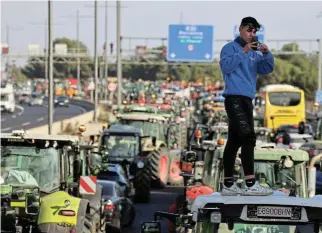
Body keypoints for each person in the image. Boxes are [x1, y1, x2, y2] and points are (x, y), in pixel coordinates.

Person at [219, 17, 275, 196]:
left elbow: (267, 69)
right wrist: (243, 51)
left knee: (234, 141)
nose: (252, 34)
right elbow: (226, 67)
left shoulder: (254, 52)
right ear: (241, 29)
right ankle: (250, 184)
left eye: (254, 32)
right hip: (234, 98)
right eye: (249, 30)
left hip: (247, 100)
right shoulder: (230, 48)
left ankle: (228, 184)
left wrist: (267, 53)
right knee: (248, 137)